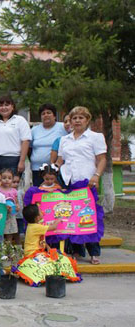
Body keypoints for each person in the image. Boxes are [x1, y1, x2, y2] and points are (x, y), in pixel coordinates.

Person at [56, 106, 106, 264]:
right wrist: (53, 177)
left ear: (87, 120)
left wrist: (96, 176)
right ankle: (76, 251)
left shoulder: (95, 137)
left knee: (88, 217)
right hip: (68, 182)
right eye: (74, 118)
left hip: (87, 182)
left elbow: (102, 159)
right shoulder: (65, 139)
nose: (77, 121)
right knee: (70, 216)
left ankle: (94, 252)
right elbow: (60, 161)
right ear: (70, 121)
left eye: (81, 118)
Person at [0, 95, 31, 174]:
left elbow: (26, 141)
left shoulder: (20, 120)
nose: (4, 108)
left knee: (11, 186)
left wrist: (22, 161)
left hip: (13, 160)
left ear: (12, 107)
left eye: (7, 105)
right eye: (1, 105)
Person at [30, 103, 68, 186]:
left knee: (56, 194)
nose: (46, 115)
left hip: (56, 170)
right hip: (37, 169)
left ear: (54, 116)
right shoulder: (34, 130)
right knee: (39, 195)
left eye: (49, 113)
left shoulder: (62, 127)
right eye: (43, 114)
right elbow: (30, 149)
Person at [0, 168, 19, 244]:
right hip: (1, 215)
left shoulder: (14, 191)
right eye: (4, 178)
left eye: (9, 178)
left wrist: (17, 206)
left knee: (10, 232)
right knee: (0, 232)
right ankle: (1, 248)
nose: (7, 180)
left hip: (11, 215)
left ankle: (8, 247)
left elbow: (16, 202)